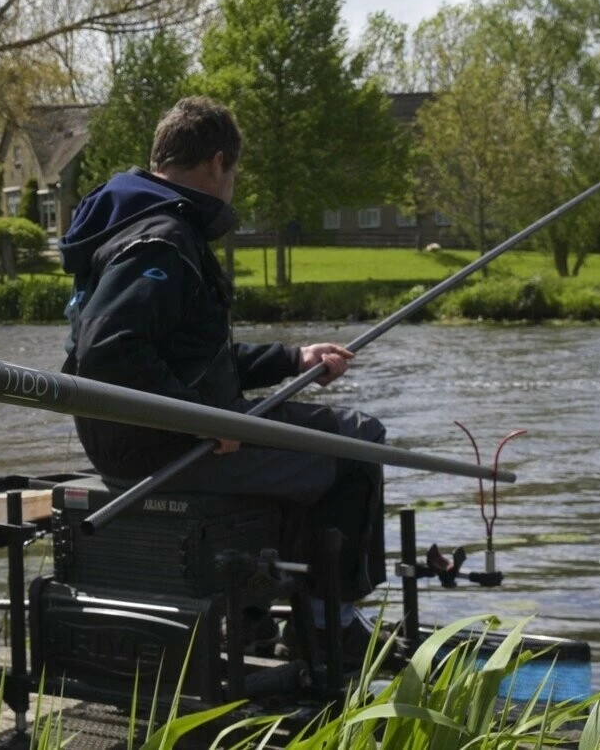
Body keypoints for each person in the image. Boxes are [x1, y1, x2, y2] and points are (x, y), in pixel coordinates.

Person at [58, 95, 388, 657]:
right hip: (159, 447)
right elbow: (108, 352)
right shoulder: (161, 239)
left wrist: (294, 358)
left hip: (145, 437)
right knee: (358, 442)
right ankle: (329, 621)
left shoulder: (139, 225)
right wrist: (196, 422)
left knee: (326, 443)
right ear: (217, 163)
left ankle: (261, 611)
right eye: (233, 171)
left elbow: (193, 361)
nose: (232, 183)